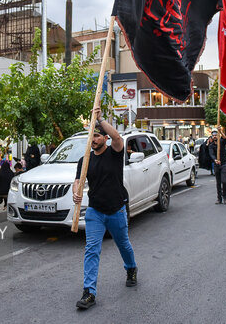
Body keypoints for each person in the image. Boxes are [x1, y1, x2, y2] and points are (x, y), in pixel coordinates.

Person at [73, 107, 137, 310]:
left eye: (98, 136)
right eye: (92, 136)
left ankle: (131, 268)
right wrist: (76, 191)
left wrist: (99, 120)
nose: (94, 139)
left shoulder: (115, 152)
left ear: (105, 139)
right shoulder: (85, 160)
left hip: (116, 210)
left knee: (124, 245)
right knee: (92, 250)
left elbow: (117, 136)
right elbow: (78, 180)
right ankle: (89, 292)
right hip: (95, 212)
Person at [208, 127, 226, 204]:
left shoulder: (222, 142)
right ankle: (219, 198)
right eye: (213, 135)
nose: (214, 136)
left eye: (216, 135)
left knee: (224, 181)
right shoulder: (211, 146)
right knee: (218, 182)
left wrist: (221, 131)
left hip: (224, 164)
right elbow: (211, 154)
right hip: (217, 165)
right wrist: (215, 160)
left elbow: (225, 138)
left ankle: (225, 196)